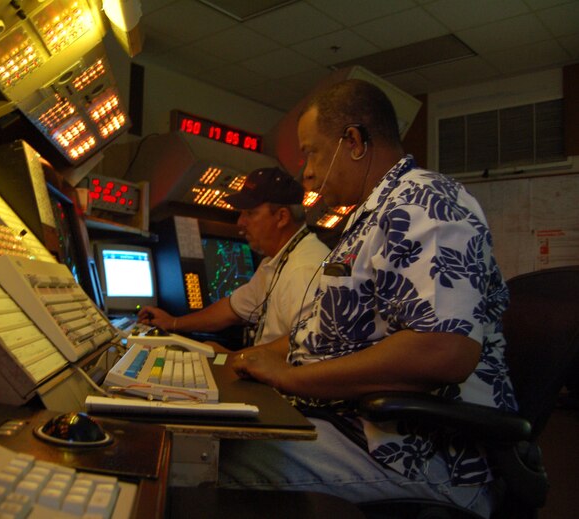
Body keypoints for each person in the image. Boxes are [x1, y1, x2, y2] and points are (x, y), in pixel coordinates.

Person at [217, 79, 515, 519]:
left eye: (312, 152)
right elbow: (323, 330)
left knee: (208, 459)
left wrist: (290, 378)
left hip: (415, 453)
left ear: (353, 141)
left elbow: (444, 349)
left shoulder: (426, 202)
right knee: (212, 429)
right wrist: (251, 358)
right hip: (357, 428)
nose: (307, 172)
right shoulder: (369, 217)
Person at [137, 167, 330, 347]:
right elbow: (230, 310)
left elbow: (304, 346)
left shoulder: (304, 269)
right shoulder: (274, 262)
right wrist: (173, 322)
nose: (240, 222)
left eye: (249, 213)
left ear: (281, 217)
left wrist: (236, 358)